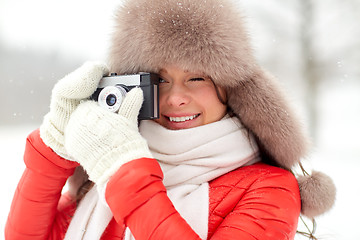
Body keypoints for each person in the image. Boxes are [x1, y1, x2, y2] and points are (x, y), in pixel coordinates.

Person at [5, 0, 336, 239]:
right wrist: (54, 147)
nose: (175, 97)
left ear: (230, 88)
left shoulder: (269, 189)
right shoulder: (103, 175)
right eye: (159, 80)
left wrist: (126, 171)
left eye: (197, 79)